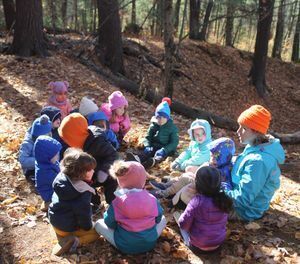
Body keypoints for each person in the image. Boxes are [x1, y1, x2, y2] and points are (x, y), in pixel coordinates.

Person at [225, 105, 285, 221]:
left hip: (243, 211)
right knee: (193, 178)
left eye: (244, 128)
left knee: (196, 195)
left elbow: (241, 200)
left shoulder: (259, 161)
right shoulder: (257, 146)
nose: (238, 131)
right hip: (234, 194)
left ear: (257, 132)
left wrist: (215, 190)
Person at [95, 160, 166, 254]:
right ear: (143, 179)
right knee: (164, 219)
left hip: (125, 246)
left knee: (98, 224)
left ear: (120, 181)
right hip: (150, 243)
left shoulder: (118, 202)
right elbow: (158, 218)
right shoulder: (152, 198)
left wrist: (110, 216)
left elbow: (109, 223)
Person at [58, 113, 119, 205]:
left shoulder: (97, 142)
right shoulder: (76, 146)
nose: (67, 142)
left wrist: (104, 171)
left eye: (68, 139)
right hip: (88, 173)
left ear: (75, 136)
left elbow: (113, 155)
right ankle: (95, 203)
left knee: (111, 182)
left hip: (103, 171)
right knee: (82, 185)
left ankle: (113, 203)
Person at [48, 148, 99, 256]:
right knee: (97, 232)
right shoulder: (83, 193)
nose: (93, 171)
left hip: (54, 219)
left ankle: (59, 234)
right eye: (90, 170)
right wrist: (88, 227)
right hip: (66, 227)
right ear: (80, 173)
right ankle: (75, 241)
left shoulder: (62, 178)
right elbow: (83, 216)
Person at [175, 166, 232, 253]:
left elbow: (184, 224)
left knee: (179, 220)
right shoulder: (224, 200)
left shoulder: (196, 201)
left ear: (198, 184)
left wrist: (181, 218)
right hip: (218, 244)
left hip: (197, 246)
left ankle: (187, 242)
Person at [126, 100, 179, 169]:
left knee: (159, 156)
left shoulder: (172, 128)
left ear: (167, 118)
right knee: (147, 153)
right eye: (159, 117)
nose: (161, 119)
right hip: (154, 146)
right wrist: (147, 145)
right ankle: (137, 160)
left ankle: (153, 162)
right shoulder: (154, 125)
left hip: (165, 148)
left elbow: (174, 142)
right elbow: (148, 137)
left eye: (163, 117)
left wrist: (165, 150)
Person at [19, 115, 52, 183]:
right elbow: (23, 160)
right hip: (31, 168)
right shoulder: (27, 144)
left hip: (43, 163)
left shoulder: (47, 137)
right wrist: (38, 160)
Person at [34, 135, 62, 212]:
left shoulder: (46, 162)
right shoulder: (44, 172)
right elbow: (60, 181)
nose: (57, 156)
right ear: (46, 156)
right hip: (50, 194)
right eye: (55, 155)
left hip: (52, 188)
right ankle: (49, 203)